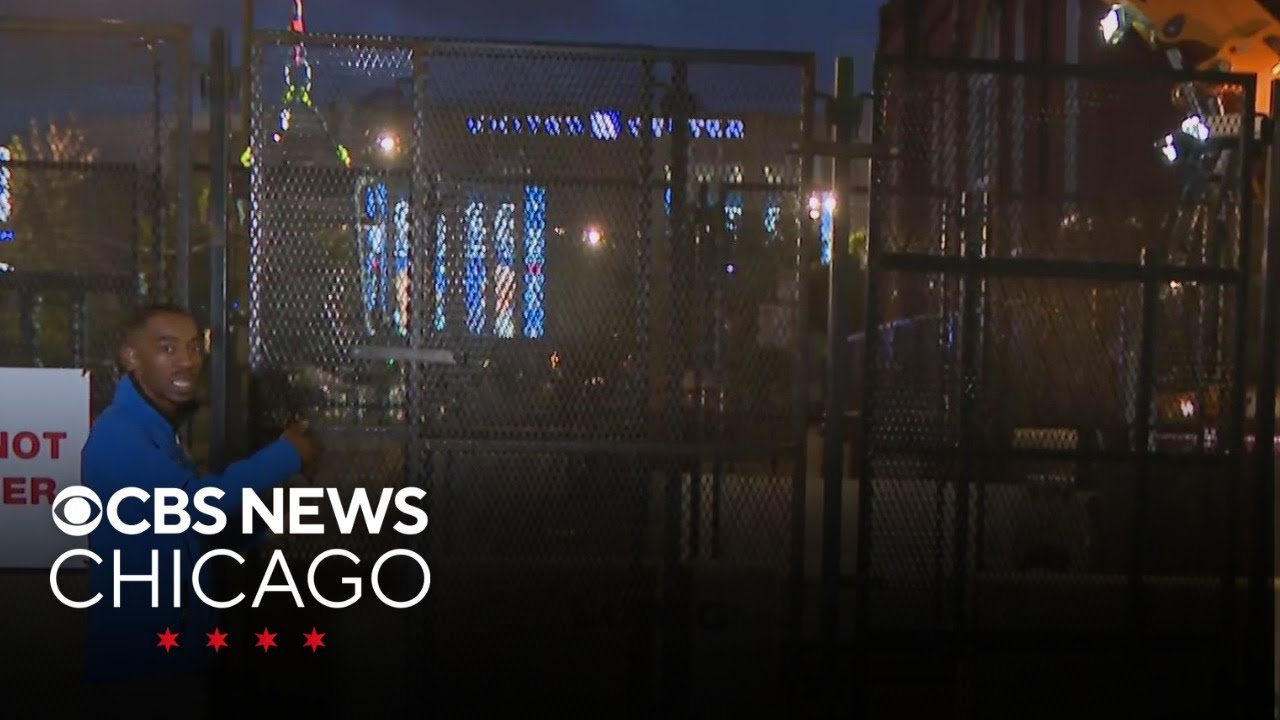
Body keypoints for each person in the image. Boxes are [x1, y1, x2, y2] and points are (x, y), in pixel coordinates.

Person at [78, 303, 320, 715]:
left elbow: (178, 530)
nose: (187, 361)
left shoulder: (155, 431)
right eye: (167, 349)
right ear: (131, 357)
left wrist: (258, 530)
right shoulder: (120, 435)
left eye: (193, 348)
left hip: (167, 659)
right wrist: (286, 455)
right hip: (143, 668)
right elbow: (192, 507)